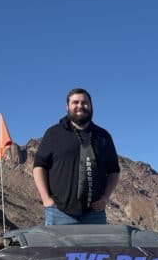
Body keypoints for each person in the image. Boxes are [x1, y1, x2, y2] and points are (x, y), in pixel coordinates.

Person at [33, 87, 120, 225]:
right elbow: (39, 166)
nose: (80, 106)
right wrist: (46, 199)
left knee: (97, 248)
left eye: (85, 102)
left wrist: (105, 198)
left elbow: (114, 171)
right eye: (75, 102)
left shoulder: (103, 136)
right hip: (59, 213)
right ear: (67, 107)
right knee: (57, 248)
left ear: (91, 106)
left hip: (95, 214)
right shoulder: (53, 134)